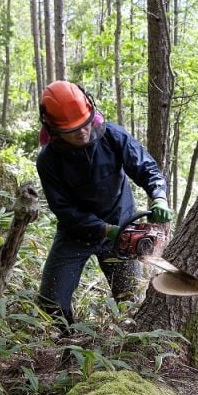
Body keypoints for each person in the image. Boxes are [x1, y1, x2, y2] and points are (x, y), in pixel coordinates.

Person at [35, 80, 173, 328]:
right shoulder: (49, 161)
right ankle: (67, 345)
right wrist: (104, 229)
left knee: (129, 300)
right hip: (76, 232)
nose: (82, 132)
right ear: (54, 130)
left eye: (85, 124)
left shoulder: (112, 136)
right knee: (51, 302)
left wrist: (159, 195)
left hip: (122, 226)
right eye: (72, 129)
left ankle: (123, 348)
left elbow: (146, 167)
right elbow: (64, 209)